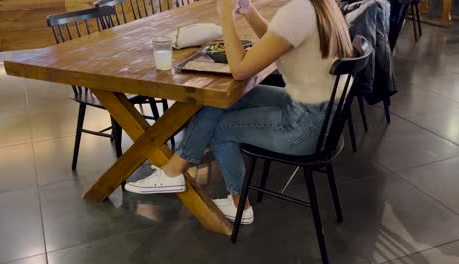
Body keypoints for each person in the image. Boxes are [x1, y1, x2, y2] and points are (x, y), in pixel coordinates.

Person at [125, 0, 353, 225]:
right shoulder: (320, 5)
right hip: (321, 115)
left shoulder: (298, 10)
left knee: (221, 129)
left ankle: (239, 204)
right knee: (224, 100)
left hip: (305, 127)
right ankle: (174, 169)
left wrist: (226, 16)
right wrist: (248, 10)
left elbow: (240, 71)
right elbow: (277, 40)